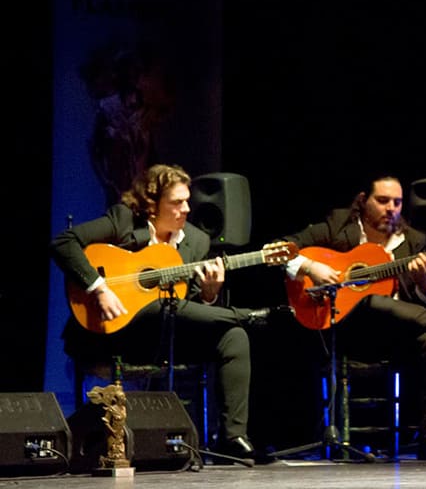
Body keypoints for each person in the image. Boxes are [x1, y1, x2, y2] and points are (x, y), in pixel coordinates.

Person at [51, 163, 285, 465]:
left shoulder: (197, 241)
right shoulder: (123, 219)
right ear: (152, 205)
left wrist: (211, 293)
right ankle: (247, 315)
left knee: (233, 337)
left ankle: (232, 439)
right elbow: (63, 243)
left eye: (187, 201)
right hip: (113, 332)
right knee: (162, 305)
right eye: (177, 202)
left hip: (165, 337)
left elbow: (193, 306)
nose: (186, 209)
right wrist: (99, 288)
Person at [279, 175, 426, 461]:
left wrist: (424, 283)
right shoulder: (338, 226)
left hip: (396, 335)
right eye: (382, 201)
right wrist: (311, 267)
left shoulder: (414, 242)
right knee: (369, 300)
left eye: (397, 202)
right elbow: (282, 249)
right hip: (347, 334)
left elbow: (424, 301)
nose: (391, 208)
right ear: (363, 201)